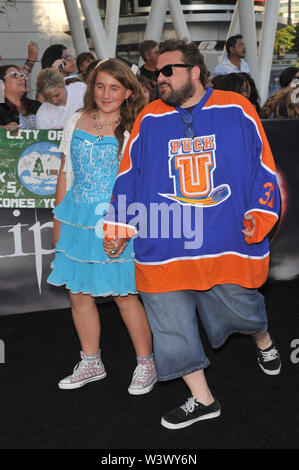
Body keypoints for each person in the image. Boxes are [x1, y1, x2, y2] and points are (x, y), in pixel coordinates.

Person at [103, 39, 281, 430]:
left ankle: (263, 339)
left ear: (195, 71)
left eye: (168, 71)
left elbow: (263, 167)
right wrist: (118, 226)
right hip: (163, 240)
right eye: (155, 73)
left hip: (225, 240)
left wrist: (260, 212)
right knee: (170, 327)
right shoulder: (148, 119)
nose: (159, 78)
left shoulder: (237, 108)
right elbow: (127, 176)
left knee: (242, 310)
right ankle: (202, 399)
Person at [47, 58, 157, 394]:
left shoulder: (135, 125)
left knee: (124, 295)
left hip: (115, 217)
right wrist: (58, 218)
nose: (106, 94)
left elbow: (139, 182)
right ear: (91, 87)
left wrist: (123, 229)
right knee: (78, 294)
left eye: (114, 87)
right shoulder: (77, 119)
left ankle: (146, 364)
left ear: (127, 92)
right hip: (77, 217)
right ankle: (91, 361)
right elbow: (65, 171)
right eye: (100, 86)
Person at [0, 64, 41, 130]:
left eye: (22, 75)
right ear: (1, 83)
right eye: (15, 75)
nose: (22, 78)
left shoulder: (36, 105)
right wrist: (4, 128)